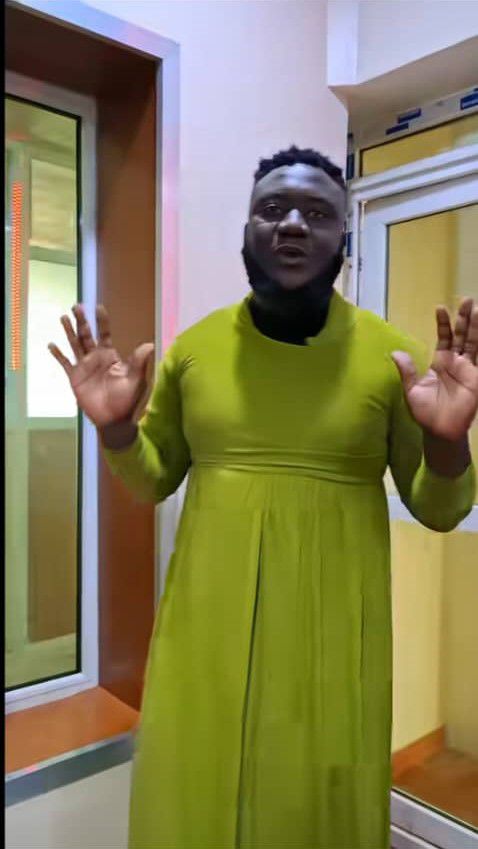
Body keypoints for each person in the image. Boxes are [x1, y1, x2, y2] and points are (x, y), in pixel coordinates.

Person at [49, 146, 477, 849]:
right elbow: (153, 479)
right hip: (204, 633)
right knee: (193, 791)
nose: (293, 224)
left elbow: (440, 506)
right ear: (247, 230)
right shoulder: (196, 350)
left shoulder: (392, 358)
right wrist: (118, 430)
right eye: (273, 208)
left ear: (344, 238)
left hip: (333, 638)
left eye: (317, 212)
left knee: (316, 809)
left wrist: (449, 441)